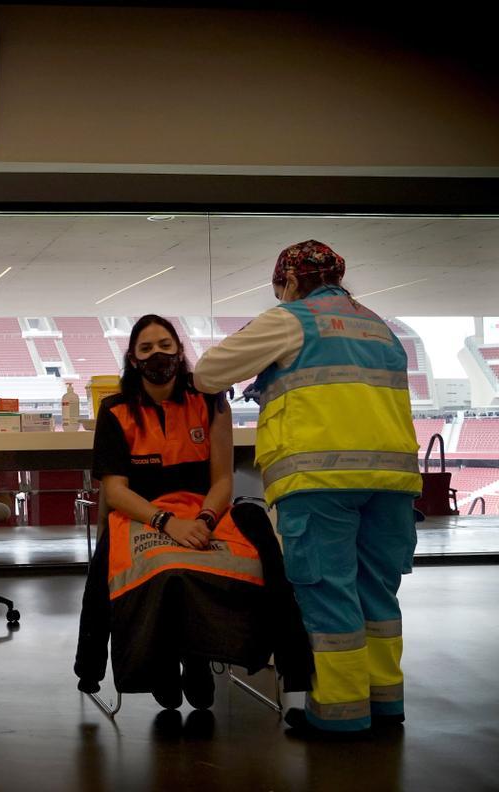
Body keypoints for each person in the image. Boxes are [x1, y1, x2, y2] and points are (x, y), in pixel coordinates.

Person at [194, 240, 421, 738]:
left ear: (291, 281)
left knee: (327, 591)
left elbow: (209, 373)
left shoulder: (290, 319)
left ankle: (340, 714)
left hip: (321, 479)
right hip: (393, 481)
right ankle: (386, 704)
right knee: (378, 595)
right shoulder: (381, 327)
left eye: (280, 286)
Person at [76, 315, 285, 712]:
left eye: (165, 345)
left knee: (215, 568)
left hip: (204, 512)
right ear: (133, 360)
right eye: (146, 348)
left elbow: (222, 480)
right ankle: (163, 664)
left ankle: (198, 656)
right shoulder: (115, 410)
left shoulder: (210, 400)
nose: (158, 354)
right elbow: (115, 491)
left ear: (180, 351)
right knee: (165, 570)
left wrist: (204, 521)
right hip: (141, 515)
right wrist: (167, 523)